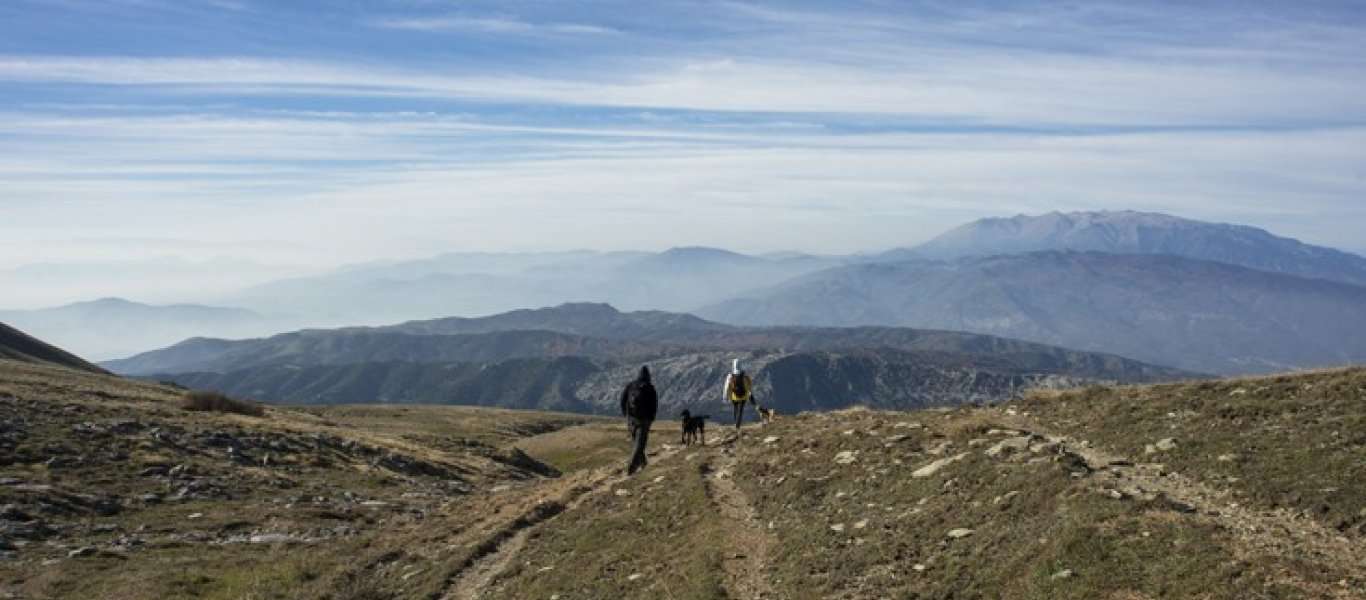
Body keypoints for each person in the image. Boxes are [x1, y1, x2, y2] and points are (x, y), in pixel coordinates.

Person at [619, 365, 658, 475]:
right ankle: (630, 470)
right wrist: (651, 418)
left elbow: (622, 399)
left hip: (631, 420)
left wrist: (626, 415)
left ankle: (644, 466)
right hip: (644, 421)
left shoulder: (631, 385)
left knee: (637, 443)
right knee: (639, 446)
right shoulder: (650, 387)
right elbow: (654, 405)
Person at [723, 359, 753, 432]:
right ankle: (737, 425)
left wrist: (725, 397)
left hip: (734, 396)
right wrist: (750, 393)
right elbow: (750, 384)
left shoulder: (730, 375)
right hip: (743, 396)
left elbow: (726, 387)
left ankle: (736, 424)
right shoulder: (745, 375)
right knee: (740, 411)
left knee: (735, 409)